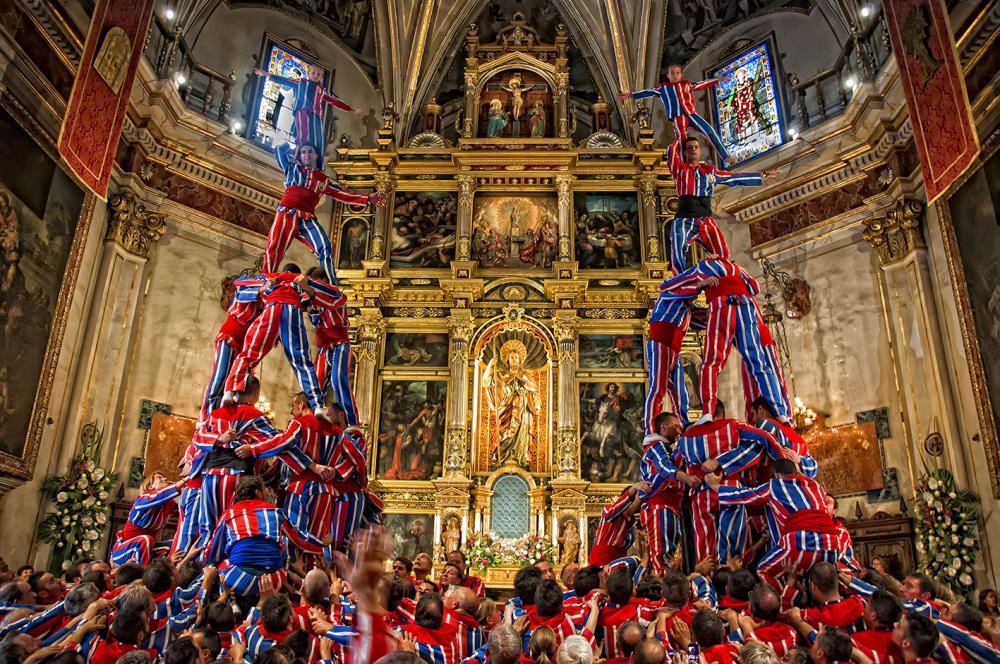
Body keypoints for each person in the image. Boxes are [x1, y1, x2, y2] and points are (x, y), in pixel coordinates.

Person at [659, 257, 791, 422]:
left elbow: (666, 286)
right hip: (746, 309)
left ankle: (707, 412)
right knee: (760, 366)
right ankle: (781, 413)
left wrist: (698, 286)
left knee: (711, 364)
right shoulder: (739, 269)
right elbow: (754, 287)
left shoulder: (703, 267)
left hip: (721, 308)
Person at [706, 458, 844, 589]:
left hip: (801, 541)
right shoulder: (817, 486)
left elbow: (743, 495)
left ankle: (781, 607)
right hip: (832, 545)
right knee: (816, 578)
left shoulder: (775, 485)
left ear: (776, 475)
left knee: (763, 570)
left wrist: (715, 485)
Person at [672, 400, 781, 562]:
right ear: (721, 414)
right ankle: (731, 576)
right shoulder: (731, 425)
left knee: (704, 544)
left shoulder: (686, 437)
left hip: (701, 493)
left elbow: (675, 463)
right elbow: (764, 437)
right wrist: (781, 455)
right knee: (733, 546)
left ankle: (706, 579)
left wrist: (686, 478)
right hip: (730, 489)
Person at [224, 267, 340, 414]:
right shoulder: (301, 281)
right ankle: (316, 405)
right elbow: (331, 296)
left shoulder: (271, 277)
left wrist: (264, 287)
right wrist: (308, 288)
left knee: (248, 353)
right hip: (292, 310)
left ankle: (229, 391)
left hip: (272, 308)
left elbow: (239, 284)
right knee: (302, 362)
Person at [264, 142, 380, 283]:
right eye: (303, 152)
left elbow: (342, 193)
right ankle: (267, 278)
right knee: (275, 245)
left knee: (324, 246)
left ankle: (331, 285)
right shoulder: (292, 168)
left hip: (307, 218)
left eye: (310, 151)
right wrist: (293, 144)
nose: (306, 154)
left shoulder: (323, 179)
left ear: (317, 155)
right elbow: (278, 149)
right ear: (299, 155)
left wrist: (367, 198)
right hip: (287, 212)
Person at [660, 137, 777, 274]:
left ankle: (724, 275)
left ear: (700, 151)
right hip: (684, 218)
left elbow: (733, 178)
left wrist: (761, 175)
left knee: (722, 251)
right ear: (684, 152)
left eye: (696, 147)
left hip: (704, 218)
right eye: (689, 147)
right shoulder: (679, 170)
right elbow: (670, 151)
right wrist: (680, 133)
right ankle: (680, 282)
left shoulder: (710, 172)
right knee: (677, 247)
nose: (693, 149)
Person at [203, 475, 323, 596]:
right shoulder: (276, 512)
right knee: (282, 541)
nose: (268, 492)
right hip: (274, 579)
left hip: (239, 581)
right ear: (258, 493)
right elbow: (299, 539)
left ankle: (230, 602)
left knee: (220, 565)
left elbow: (211, 552)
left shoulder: (229, 514)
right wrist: (322, 543)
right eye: (265, 488)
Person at [253, 64, 355, 169]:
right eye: (313, 73)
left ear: (321, 77)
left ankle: (316, 165)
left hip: (315, 117)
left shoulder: (321, 91)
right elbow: (283, 80)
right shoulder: (301, 83)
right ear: (308, 73)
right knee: (303, 135)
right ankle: (298, 158)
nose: (315, 75)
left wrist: (350, 109)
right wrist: (266, 74)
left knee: (317, 139)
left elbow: (334, 101)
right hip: (303, 112)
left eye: (319, 74)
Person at [620, 64, 731, 160]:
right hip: (677, 117)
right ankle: (685, 161)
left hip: (691, 114)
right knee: (682, 139)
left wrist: (718, 80)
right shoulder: (663, 88)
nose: (675, 75)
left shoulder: (687, 84)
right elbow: (648, 92)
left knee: (709, 130)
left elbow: (702, 84)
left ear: (681, 74)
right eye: (672, 73)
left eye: (677, 73)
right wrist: (631, 95)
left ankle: (725, 156)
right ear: (668, 75)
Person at [638, 412, 699, 575]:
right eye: (675, 427)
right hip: (660, 506)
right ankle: (664, 595)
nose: (678, 431)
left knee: (668, 555)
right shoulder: (656, 446)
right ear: (663, 428)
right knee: (661, 557)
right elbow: (664, 467)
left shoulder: (667, 449)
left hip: (670, 507)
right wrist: (686, 478)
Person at [305, 268, 357, 426]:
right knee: (315, 385)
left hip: (339, 345)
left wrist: (311, 293)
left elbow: (330, 304)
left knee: (338, 381)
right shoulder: (314, 301)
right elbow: (313, 317)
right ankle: (311, 422)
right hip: (324, 347)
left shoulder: (336, 295)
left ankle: (353, 422)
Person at [110, 473, 184, 567]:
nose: (165, 478)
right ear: (150, 486)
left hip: (147, 548)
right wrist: (183, 482)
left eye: (164, 476)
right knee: (145, 539)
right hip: (122, 551)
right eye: (159, 477)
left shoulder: (168, 505)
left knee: (175, 544)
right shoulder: (141, 499)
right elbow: (158, 497)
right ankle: (144, 578)